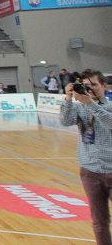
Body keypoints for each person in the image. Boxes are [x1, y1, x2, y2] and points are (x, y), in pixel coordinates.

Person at [61, 69, 112, 245]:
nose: (89, 89)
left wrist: (90, 104)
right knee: (99, 221)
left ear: (104, 86)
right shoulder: (78, 107)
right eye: (86, 86)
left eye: (94, 85)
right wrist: (68, 98)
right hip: (90, 171)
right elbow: (65, 121)